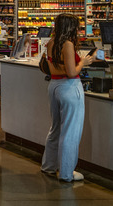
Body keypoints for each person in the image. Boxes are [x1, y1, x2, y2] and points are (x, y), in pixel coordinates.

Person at [41, 13, 95, 182]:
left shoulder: (51, 43)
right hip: (70, 88)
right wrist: (84, 62)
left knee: (55, 128)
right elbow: (72, 72)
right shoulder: (68, 44)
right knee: (71, 132)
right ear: (71, 27)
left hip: (54, 87)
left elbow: (53, 70)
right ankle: (66, 173)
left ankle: (48, 166)